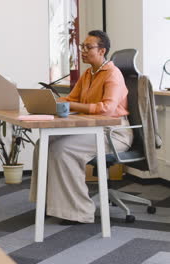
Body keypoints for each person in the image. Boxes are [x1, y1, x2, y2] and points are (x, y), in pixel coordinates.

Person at [29, 30, 133, 225]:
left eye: (88, 47)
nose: (83, 51)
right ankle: (49, 203)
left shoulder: (113, 74)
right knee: (43, 143)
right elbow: (71, 99)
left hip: (113, 133)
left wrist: (70, 106)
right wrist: (53, 101)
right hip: (91, 128)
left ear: (102, 51)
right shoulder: (88, 74)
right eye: (82, 47)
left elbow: (107, 109)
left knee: (63, 149)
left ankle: (78, 211)